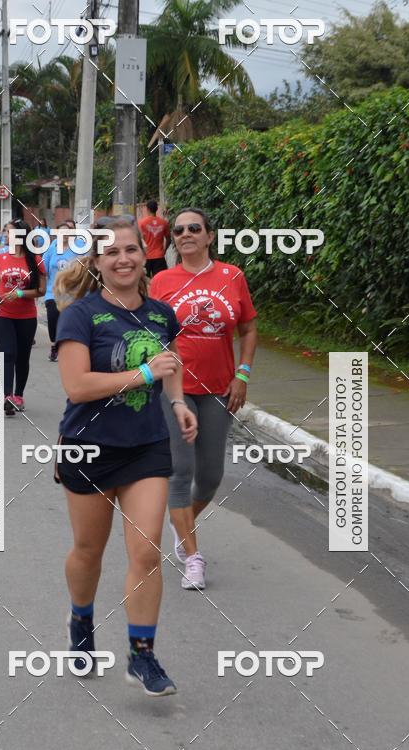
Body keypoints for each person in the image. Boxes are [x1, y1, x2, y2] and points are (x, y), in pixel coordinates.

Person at [54, 219, 197, 696]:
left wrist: (176, 402)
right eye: (111, 252)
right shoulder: (79, 315)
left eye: (132, 249)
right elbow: (77, 386)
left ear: (144, 254)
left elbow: (170, 363)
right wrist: (142, 373)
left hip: (145, 447)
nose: (123, 259)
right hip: (89, 448)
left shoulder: (160, 315)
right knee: (89, 552)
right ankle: (81, 621)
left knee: (146, 551)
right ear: (96, 263)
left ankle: (142, 656)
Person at [150, 207, 258, 591]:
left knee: (210, 477)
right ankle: (194, 558)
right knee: (180, 472)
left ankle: (183, 527)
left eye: (194, 228)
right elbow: (150, 334)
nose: (185, 234)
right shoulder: (161, 281)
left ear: (209, 236)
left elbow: (247, 327)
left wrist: (242, 374)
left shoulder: (232, 276)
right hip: (173, 390)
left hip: (218, 389)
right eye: (178, 230)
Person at [0, 219, 46, 414]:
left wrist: (20, 294)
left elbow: (41, 290)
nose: (6, 235)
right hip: (2, 313)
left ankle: (18, 395)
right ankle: (7, 397)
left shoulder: (35, 259)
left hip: (26, 316)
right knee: (7, 354)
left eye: (10, 232)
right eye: (5, 232)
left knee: (22, 357)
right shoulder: (1, 258)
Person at [42, 218, 87, 362]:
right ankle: (55, 344)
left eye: (68, 232)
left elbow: (87, 267)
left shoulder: (80, 246)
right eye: (62, 233)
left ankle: (72, 348)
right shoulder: (52, 248)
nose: (65, 235)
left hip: (74, 293)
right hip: (53, 292)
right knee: (53, 317)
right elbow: (44, 269)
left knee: (72, 321)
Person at [138, 200, 170, 278]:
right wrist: (164, 250)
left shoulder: (141, 223)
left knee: (145, 282)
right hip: (159, 257)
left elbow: (138, 239)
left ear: (147, 209)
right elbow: (169, 239)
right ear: (157, 209)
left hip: (146, 258)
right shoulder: (164, 223)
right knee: (161, 281)